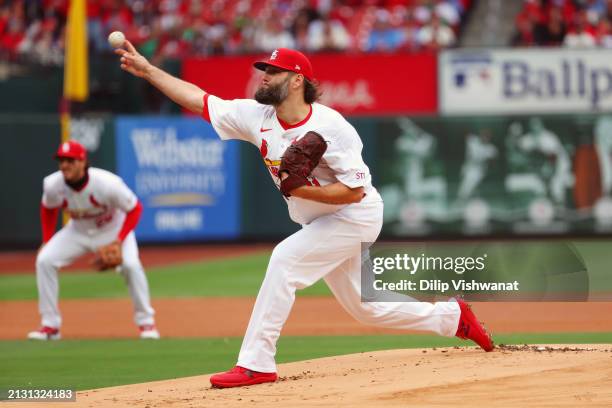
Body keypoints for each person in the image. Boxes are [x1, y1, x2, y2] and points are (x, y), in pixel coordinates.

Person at [115, 43, 493, 388]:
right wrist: (149, 70)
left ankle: (257, 363)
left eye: (274, 71)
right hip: (320, 221)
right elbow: (200, 100)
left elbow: (355, 190)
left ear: (297, 80)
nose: (265, 75)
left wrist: (300, 189)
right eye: (265, 69)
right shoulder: (255, 116)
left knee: (285, 260)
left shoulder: (331, 126)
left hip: (355, 214)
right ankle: (451, 317)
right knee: (366, 308)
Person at [27, 140, 159, 341]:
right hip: (77, 231)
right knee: (45, 260)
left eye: (70, 160)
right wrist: (46, 239)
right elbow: (48, 207)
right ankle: (50, 325)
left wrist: (118, 240)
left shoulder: (107, 184)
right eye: (61, 161)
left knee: (131, 266)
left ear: (82, 162)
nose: (64, 165)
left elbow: (135, 209)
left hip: (113, 231)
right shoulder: (53, 184)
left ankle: (146, 323)